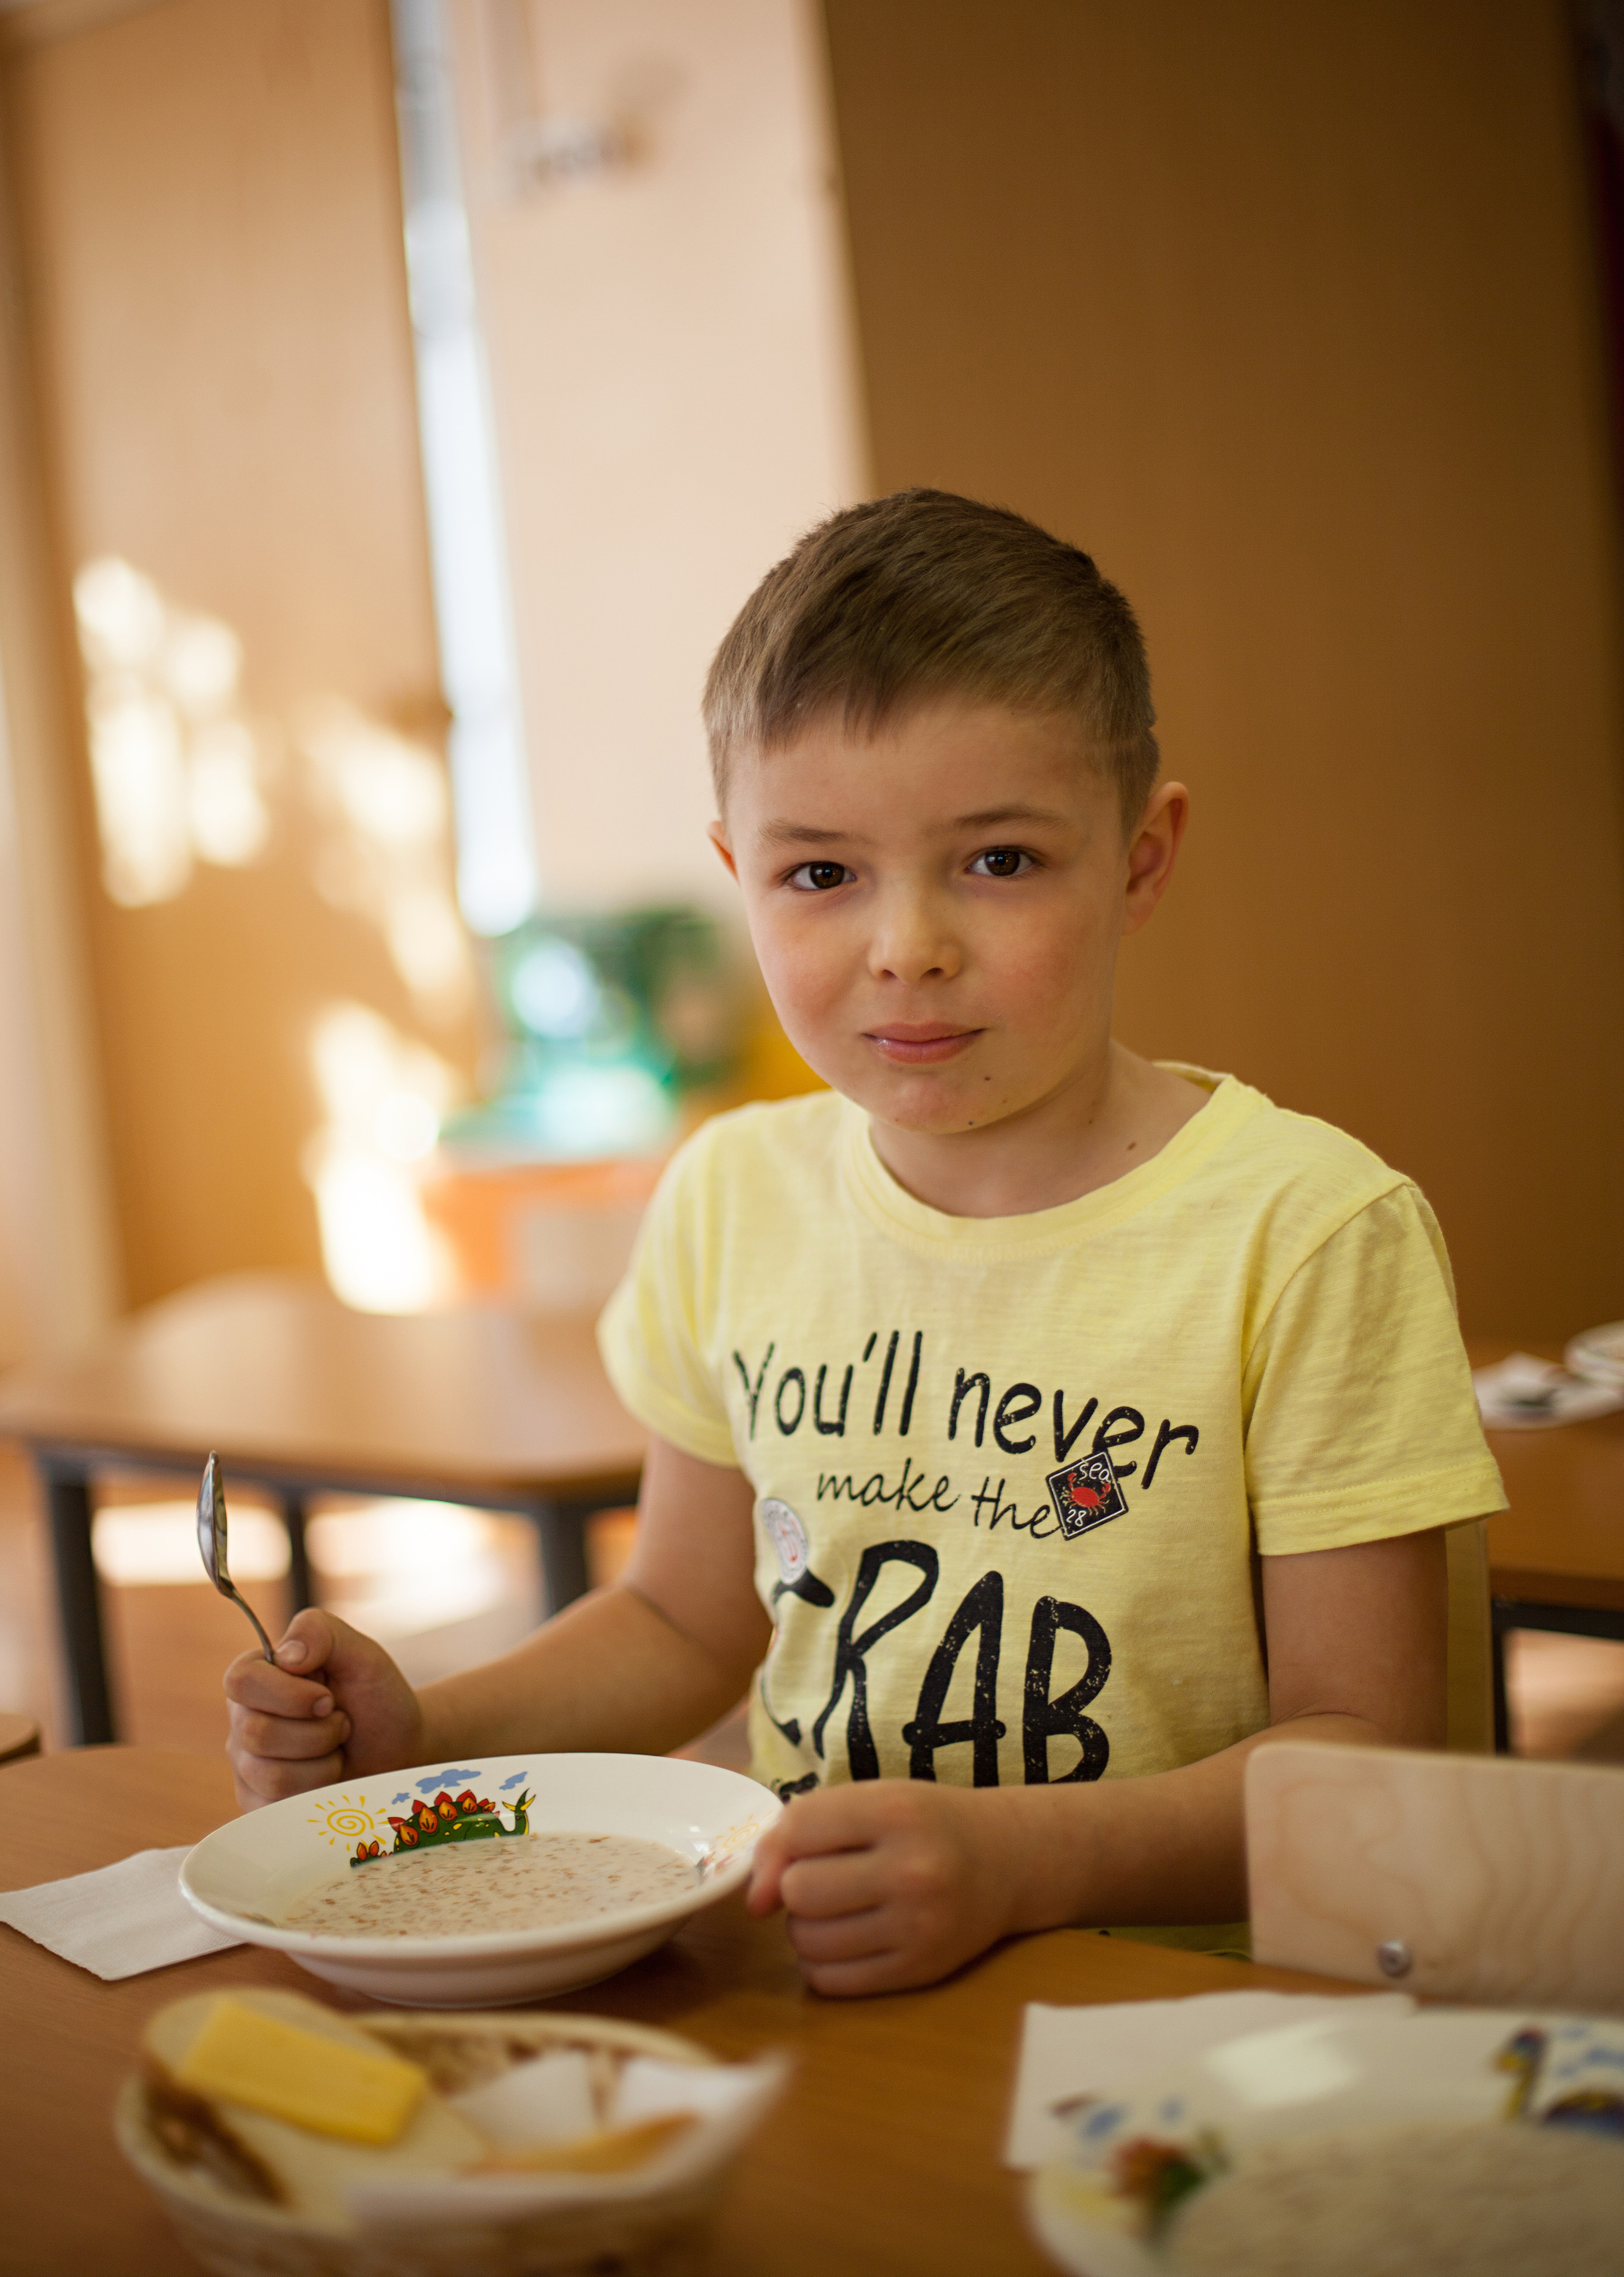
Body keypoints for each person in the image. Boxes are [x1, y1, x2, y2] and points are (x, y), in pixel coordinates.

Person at [225, 488, 1504, 1995]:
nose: (905, 944)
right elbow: (680, 1617)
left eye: (998, 862)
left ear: (1140, 860)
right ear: (738, 877)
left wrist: (1018, 1859)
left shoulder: (1303, 1232)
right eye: (820, 874)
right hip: (835, 1984)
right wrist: (431, 1739)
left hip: (1201, 2018)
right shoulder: (729, 1198)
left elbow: (1363, 1759)